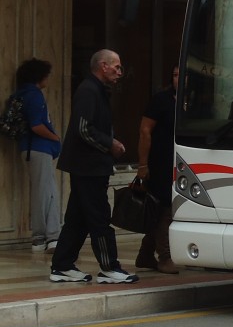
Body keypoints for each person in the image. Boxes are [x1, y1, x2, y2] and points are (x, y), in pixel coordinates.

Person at [49, 49, 138, 284]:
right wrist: (111, 145)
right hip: (88, 167)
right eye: (116, 66)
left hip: (88, 166)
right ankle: (110, 268)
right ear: (103, 66)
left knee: (77, 218)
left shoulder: (97, 91)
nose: (120, 71)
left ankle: (62, 265)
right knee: (99, 217)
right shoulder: (89, 91)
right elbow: (83, 129)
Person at [14, 58, 62, 254]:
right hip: (39, 147)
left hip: (29, 148)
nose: (48, 79)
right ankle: (47, 237)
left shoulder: (22, 94)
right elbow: (37, 125)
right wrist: (56, 137)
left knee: (44, 191)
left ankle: (44, 237)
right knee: (47, 192)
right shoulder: (34, 95)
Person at [135, 67, 179, 275]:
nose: (180, 79)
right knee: (164, 210)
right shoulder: (161, 100)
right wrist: (143, 164)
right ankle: (165, 256)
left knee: (162, 211)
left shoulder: (194, 102)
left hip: (182, 163)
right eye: (176, 75)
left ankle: (145, 253)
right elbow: (145, 131)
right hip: (160, 163)